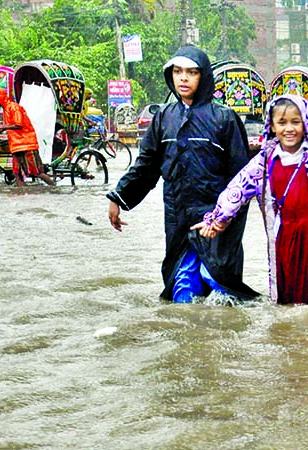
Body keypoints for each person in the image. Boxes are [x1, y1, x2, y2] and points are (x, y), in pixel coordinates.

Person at [191, 95, 308, 307]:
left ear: (306, 123)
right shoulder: (266, 159)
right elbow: (238, 188)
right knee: (293, 303)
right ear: (272, 125)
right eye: (282, 122)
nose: (289, 129)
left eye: (295, 122)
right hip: (286, 241)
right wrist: (218, 219)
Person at [106, 45, 258, 303]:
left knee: (220, 288)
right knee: (182, 288)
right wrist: (118, 198)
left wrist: (223, 217)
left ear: (204, 76)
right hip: (177, 216)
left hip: (216, 219)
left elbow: (242, 179)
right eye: (178, 71)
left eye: (191, 72)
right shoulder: (164, 118)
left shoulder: (224, 119)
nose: (183, 78)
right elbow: (147, 166)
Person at [0, 87, 56, 188]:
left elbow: (18, 125)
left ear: (0, 97)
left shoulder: (14, 108)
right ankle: (21, 194)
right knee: (17, 172)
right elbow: (10, 126)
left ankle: (54, 188)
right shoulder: (6, 109)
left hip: (27, 144)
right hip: (17, 145)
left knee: (37, 172)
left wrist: (2, 127)